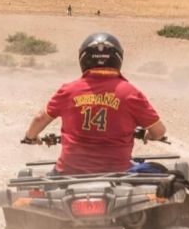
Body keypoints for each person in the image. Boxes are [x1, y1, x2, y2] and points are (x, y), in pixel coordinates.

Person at [22, 32, 166, 175]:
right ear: (118, 58)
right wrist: (150, 135)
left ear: (83, 58)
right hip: (117, 173)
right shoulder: (130, 93)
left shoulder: (68, 90)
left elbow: (41, 117)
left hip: (69, 172)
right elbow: (159, 131)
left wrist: (31, 137)